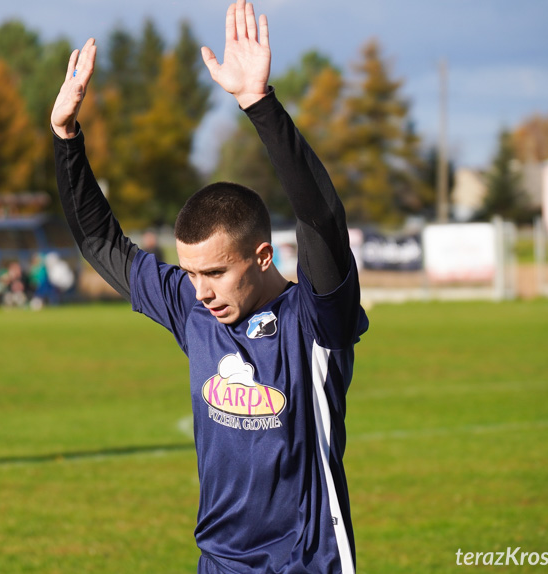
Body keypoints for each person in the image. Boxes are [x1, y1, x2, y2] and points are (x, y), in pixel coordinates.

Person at [51, 1, 369, 572]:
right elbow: (103, 246)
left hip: (305, 561)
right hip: (217, 562)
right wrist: (65, 136)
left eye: (216, 272)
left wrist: (258, 104)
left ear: (262, 255)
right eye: (191, 272)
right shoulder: (192, 309)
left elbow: (322, 219)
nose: (200, 291)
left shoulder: (316, 319)